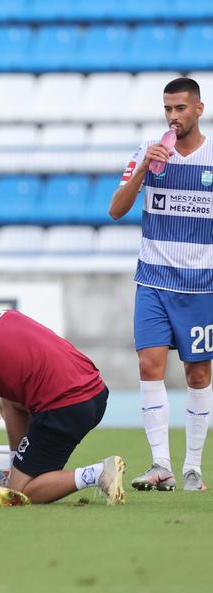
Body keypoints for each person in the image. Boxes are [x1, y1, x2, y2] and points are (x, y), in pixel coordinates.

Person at [109, 77, 213, 492]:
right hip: (153, 278)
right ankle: (160, 464)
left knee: (198, 373)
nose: (173, 116)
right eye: (167, 109)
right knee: (149, 367)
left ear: (198, 109)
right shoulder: (147, 153)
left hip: (202, 285)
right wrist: (143, 173)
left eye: (180, 109)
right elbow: (116, 210)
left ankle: (192, 467)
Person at [0, 283, 126, 505]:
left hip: (65, 408)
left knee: (17, 494)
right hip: (96, 393)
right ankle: (17, 468)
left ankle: (98, 472)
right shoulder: (8, 315)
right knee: (8, 401)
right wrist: (10, 396)